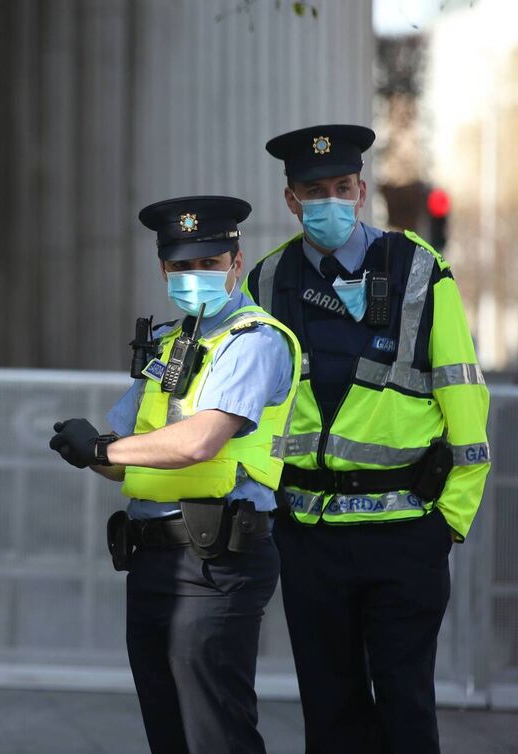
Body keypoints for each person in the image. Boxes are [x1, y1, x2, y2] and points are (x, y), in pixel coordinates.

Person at [243, 124, 491, 753]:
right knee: (329, 714)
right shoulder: (268, 282)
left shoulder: (419, 267)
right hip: (309, 536)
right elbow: (254, 410)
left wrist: (449, 521)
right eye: (313, 190)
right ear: (291, 198)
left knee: (407, 711)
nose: (329, 200)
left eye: (341, 187)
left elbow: (463, 394)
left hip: (405, 532)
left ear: (360, 189)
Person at [50, 196, 301, 754]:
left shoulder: (253, 340)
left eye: (209, 263)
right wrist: (85, 449)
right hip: (154, 557)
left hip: (216, 559)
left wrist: (104, 450)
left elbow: (199, 440)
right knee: (169, 732)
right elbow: (125, 455)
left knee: (216, 733)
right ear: (163, 269)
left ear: (236, 262)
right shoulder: (167, 343)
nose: (195, 276)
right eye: (182, 266)